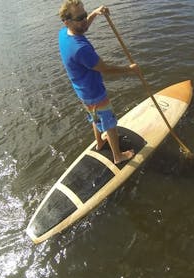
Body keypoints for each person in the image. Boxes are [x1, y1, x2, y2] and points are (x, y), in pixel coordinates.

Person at [58, 0, 138, 163]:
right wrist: (130, 70)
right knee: (109, 123)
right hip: (94, 92)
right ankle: (118, 156)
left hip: (82, 91)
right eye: (79, 18)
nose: (84, 20)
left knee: (95, 117)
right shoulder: (81, 49)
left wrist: (95, 13)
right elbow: (105, 68)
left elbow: (82, 26)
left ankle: (100, 142)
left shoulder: (64, 33)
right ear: (67, 21)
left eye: (84, 15)